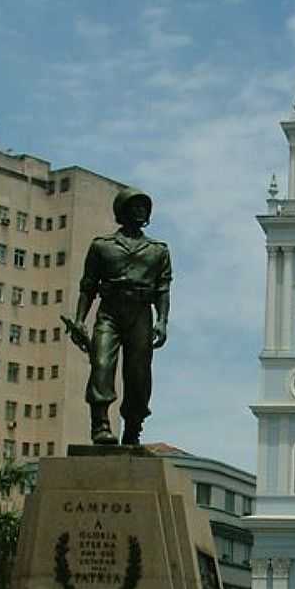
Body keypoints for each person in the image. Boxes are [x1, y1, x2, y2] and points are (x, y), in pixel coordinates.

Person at [69, 187, 172, 446]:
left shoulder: (158, 250)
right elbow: (88, 287)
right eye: (134, 206)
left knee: (138, 375)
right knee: (102, 365)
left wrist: (162, 320)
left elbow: (163, 290)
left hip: (141, 314)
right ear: (122, 212)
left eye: (143, 207)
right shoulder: (102, 246)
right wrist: (80, 320)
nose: (140, 211)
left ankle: (133, 427)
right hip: (110, 313)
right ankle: (101, 425)